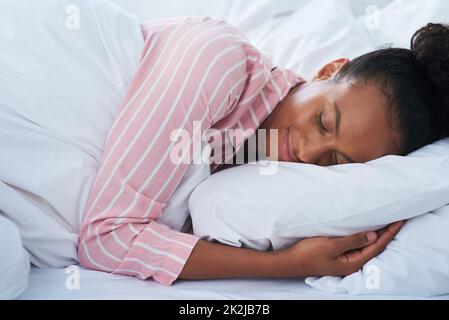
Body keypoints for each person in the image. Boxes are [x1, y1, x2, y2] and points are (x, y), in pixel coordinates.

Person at [78, 17, 449, 286]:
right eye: (323, 120)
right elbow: (105, 240)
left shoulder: (255, 169)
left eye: (337, 161)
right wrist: (283, 264)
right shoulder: (217, 61)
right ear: (328, 70)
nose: (308, 152)